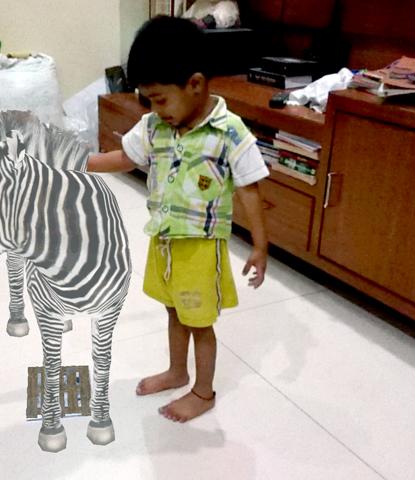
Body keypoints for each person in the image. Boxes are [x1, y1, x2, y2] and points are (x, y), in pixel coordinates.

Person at [87, 16, 269, 422]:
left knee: (199, 322)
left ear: (195, 84)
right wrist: (80, 162)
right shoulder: (155, 127)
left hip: (200, 249)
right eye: (149, 101)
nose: (156, 110)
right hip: (166, 240)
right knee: (174, 311)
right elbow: (125, 157)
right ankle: (176, 371)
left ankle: (203, 392)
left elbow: (249, 187)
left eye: (160, 99)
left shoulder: (229, 132)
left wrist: (260, 246)